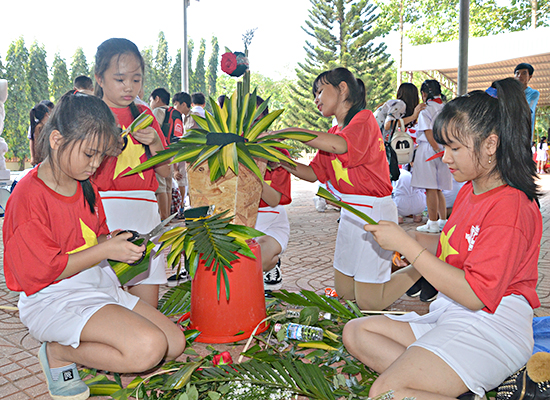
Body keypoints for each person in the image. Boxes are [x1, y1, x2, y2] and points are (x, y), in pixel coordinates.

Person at [343, 78, 541, 400]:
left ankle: (431, 380)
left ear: (490, 144)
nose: (444, 157)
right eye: (444, 146)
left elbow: (477, 295)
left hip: (493, 324)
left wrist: (408, 246)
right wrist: (407, 241)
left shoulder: (512, 206)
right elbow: (455, 250)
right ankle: (451, 388)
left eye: (454, 148)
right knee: (357, 332)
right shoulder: (468, 191)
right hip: (455, 312)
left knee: (387, 393)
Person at [3, 92, 185, 400]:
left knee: (173, 344)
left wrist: (116, 241)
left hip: (94, 287)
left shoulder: (85, 186)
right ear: (57, 139)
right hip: (51, 299)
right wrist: (105, 251)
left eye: (101, 156)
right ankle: (59, 353)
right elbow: (42, 271)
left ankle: (86, 349)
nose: (96, 164)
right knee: (148, 350)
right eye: (90, 154)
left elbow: (94, 238)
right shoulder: (28, 196)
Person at [275, 67, 415, 311]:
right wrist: (282, 163)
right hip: (350, 214)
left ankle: (421, 271)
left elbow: (341, 147)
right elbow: (312, 173)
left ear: (342, 88)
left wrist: (290, 132)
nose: (316, 99)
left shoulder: (364, 119)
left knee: (370, 302)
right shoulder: (332, 133)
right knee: (346, 293)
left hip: (374, 214)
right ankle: (397, 268)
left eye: (320, 91)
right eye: (314, 94)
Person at [92, 38, 171, 308]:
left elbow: (166, 171)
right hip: (103, 216)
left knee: (147, 308)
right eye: (120, 79)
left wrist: (156, 144)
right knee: (102, 303)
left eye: (136, 79)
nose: (129, 87)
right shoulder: (89, 116)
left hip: (144, 215)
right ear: (99, 78)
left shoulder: (144, 113)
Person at [251, 96, 292, 291]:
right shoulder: (229, 149)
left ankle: (271, 265)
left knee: (255, 259)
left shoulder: (277, 150)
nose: (252, 123)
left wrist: (251, 171)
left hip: (272, 219)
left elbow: (274, 199)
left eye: (258, 118)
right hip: (241, 220)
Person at [412, 79, 451, 234]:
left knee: (431, 189)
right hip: (444, 148)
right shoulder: (446, 108)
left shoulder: (425, 110)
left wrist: (435, 150)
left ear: (424, 93)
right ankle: (442, 221)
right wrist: (443, 151)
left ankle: (433, 222)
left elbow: (428, 132)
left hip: (430, 149)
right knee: (439, 187)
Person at [149, 87, 184, 221]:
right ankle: (168, 217)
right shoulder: (173, 112)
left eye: (151, 100)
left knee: (161, 187)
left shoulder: (157, 111)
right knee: (168, 185)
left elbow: (154, 131)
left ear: (157, 99)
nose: (151, 103)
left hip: (160, 153)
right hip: (171, 152)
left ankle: (164, 217)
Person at [514, 62, 539, 138]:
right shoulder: (510, 93)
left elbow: (528, 109)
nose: (520, 76)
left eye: (524, 73)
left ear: (530, 76)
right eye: (517, 73)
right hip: (508, 135)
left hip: (524, 136)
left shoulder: (533, 93)